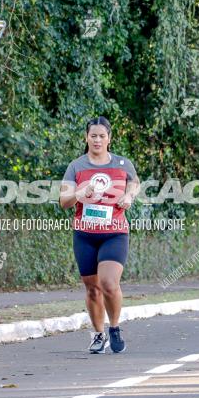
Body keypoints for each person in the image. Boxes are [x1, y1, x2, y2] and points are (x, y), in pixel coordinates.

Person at [60, 117, 139, 354]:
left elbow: (135, 183)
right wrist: (80, 193)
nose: (97, 140)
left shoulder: (123, 163)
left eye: (101, 136)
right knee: (92, 288)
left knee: (108, 283)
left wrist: (129, 196)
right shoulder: (76, 166)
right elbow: (64, 201)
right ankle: (98, 335)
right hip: (85, 234)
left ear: (109, 139)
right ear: (86, 138)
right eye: (93, 136)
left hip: (114, 232)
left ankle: (114, 327)